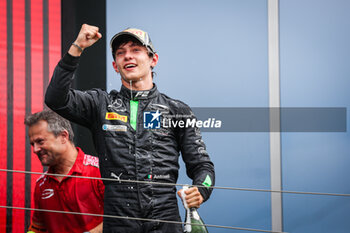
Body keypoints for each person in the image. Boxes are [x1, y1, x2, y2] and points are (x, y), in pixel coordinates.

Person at [45, 24, 215, 233]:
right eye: (121, 53)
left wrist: (201, 190)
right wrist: (77, 48)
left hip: (165, 221)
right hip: (118, 222)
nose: (128, 56)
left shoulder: (177, 110)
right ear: (116, 66)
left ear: (153, 60)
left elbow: (202, 167)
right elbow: (55, 98)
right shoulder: (99, 104)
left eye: (136, 50)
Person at [25, 109, 104, 233]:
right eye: (32, 144)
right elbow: (37, 228)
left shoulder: (100, 172)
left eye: (40, 141)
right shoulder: (41, 184)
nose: (35, 149)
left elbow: (122, 219)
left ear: (63, 136)